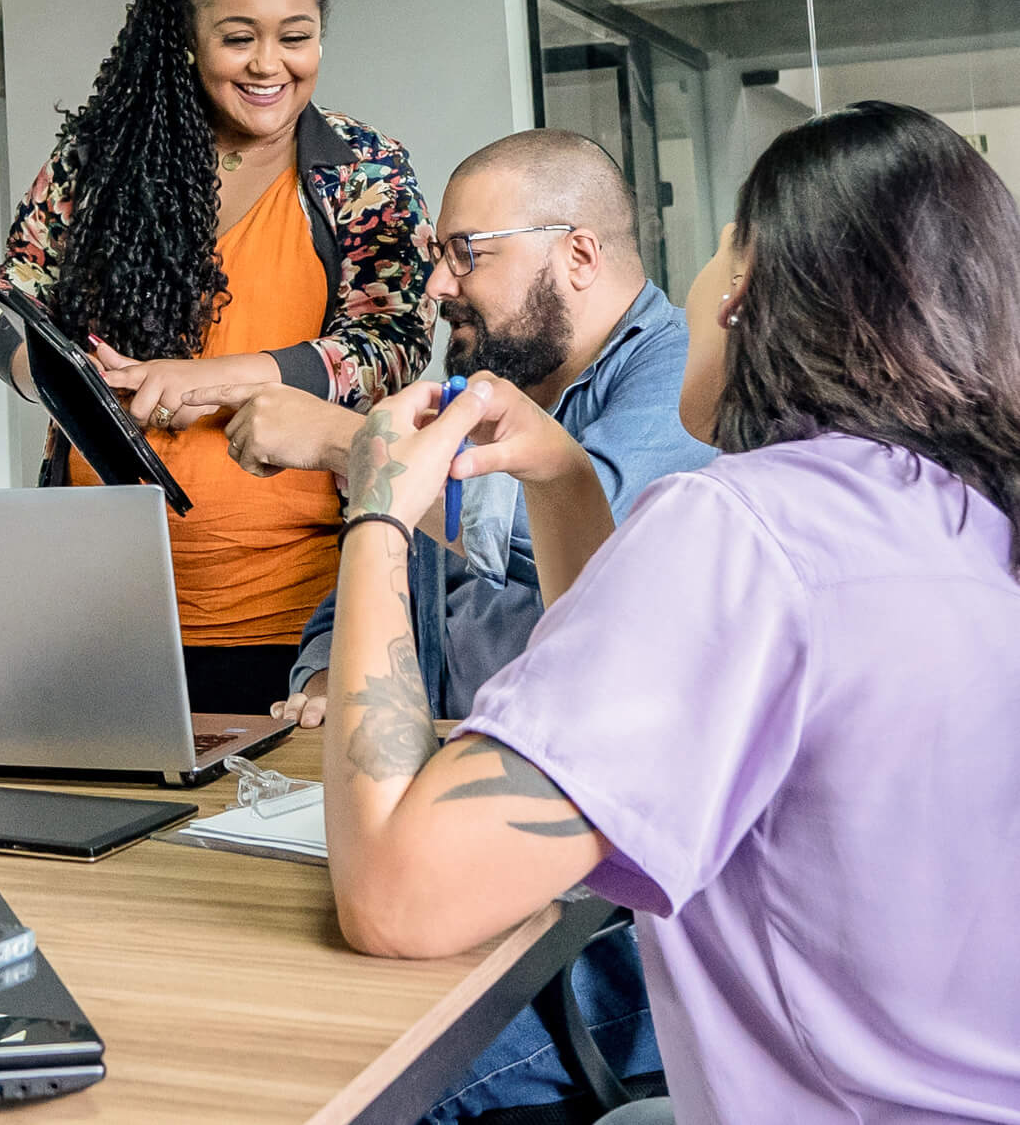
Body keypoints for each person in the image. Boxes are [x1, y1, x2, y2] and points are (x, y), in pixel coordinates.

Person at [323, 101, 1020, 1125]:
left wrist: (377, 509)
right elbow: (649, 691)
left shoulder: (744, 527)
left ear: (746, 286)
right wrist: (565, 483)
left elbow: (395, 897)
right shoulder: (961, 517)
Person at [184, 128, 713, 1115]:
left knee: (341, 1080)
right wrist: (315, 678)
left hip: (594, 949)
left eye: (466, 254)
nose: (435, 286)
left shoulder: (682, 381)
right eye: (435, 254)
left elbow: (604, 556)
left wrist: (347, 444)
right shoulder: (477, 386)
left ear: (579, 255)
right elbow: (369, 586)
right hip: (436, 821)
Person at [0, 0, 434, 714]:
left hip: (295, 621)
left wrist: (219, 378)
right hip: (100, 612)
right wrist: (66, 380)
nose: (271, 64)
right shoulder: (94, 165)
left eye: (295, 37)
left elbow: (396, 337)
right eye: (239, 37)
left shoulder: (362, 171)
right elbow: (4, 312)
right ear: (188, 43)